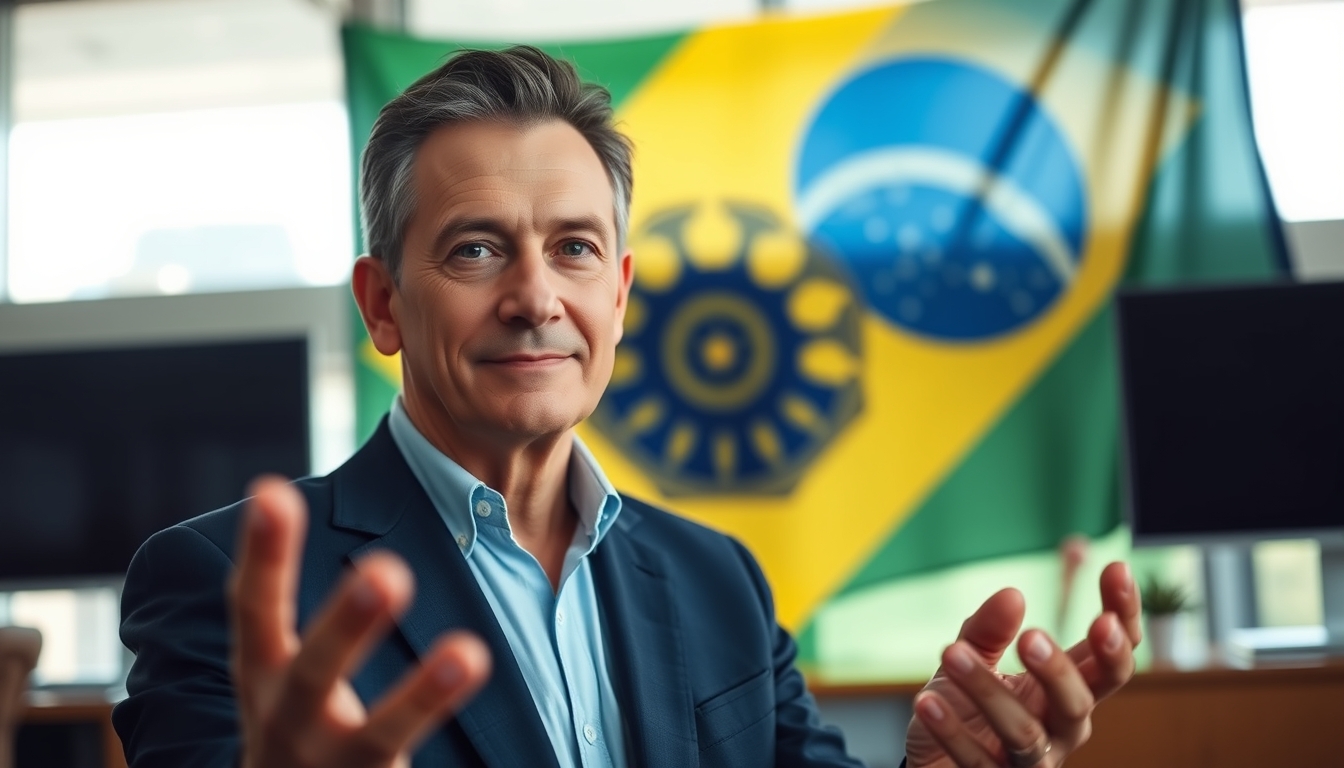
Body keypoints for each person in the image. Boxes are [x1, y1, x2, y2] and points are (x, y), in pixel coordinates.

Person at [112, 46, 1140, 768]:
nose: (533, 297)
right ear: (382, 305)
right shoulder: (218, 581)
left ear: (619, 294)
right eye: (475, 248)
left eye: (574, 247)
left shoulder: (718, 580)